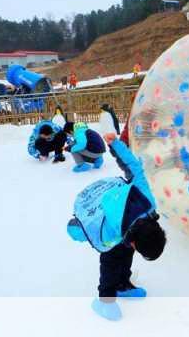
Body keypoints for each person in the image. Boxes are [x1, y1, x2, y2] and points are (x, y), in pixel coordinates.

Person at [67, 133, 166, 321]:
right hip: (103, 205)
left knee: (125, 253)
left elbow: (135, 168)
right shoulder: (107, 232)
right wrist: (75, 228)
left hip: (124, 226)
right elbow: (88, 227)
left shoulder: (148, 203)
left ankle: (122, 284)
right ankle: (105, 300)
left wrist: (116, 145)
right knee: (111, 263)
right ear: (136, 242)